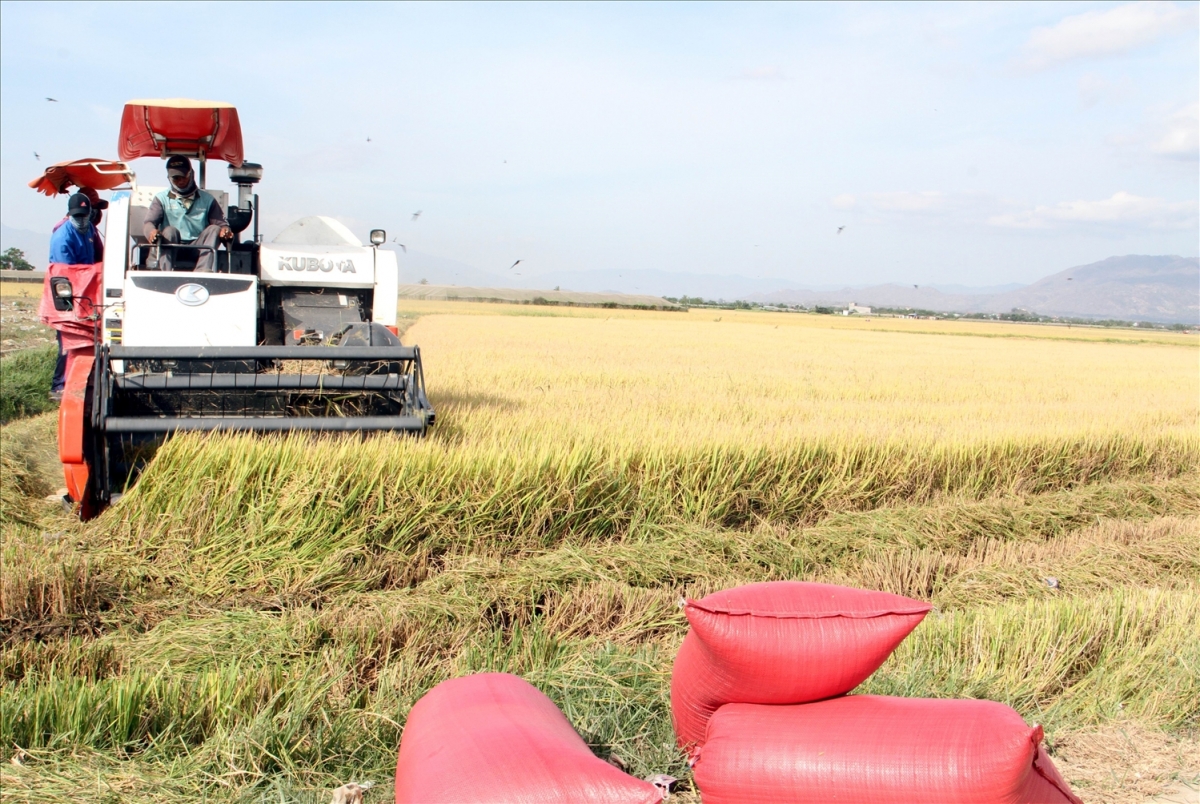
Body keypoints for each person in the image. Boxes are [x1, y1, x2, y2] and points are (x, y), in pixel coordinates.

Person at [45, 193, 97, 400]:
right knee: (67, 341)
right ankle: (59, 386)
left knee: (87, 339)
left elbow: (98, 256)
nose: (82, 219)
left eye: (85, 215)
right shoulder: (62, 237)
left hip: (86, 291)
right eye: (78, 216)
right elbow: (64, 275)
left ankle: (84, 381)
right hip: (67, 293)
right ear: (69, 214)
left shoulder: (90, 229)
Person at [142, 155, 232, 271]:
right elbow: (149, 222)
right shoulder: (161, 198)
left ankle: (203, 271)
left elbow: (222, 225)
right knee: (169, 231)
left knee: (215, 229)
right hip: (172, 246)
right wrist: (151, 232)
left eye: (183, 176)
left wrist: (225, 230)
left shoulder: (208, 200)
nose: (180, 181)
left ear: (191, 173)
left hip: (198, 248)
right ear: (169, 178)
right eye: (175, 178)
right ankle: (165, 272)